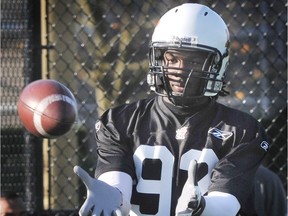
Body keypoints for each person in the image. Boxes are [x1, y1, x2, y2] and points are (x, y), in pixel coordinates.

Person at [74, 3, 272, 216]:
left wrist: (203, 207)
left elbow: (225, 204)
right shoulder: (120, 122)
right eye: (173, 58)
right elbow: (117, 187)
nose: (179, 70)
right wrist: (113, 196)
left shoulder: (241, 131)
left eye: (193, 61)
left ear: (216, 65)